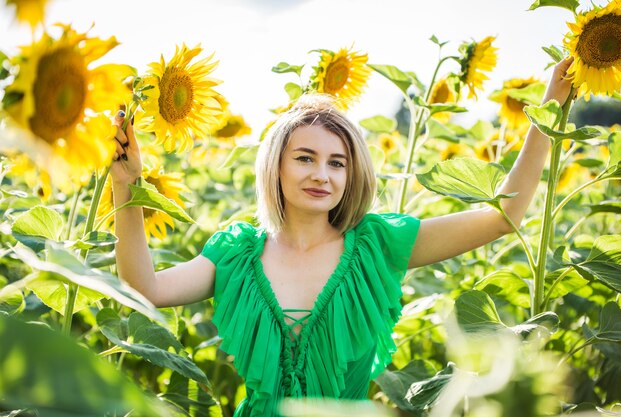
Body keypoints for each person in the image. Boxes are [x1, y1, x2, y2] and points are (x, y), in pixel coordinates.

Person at [109, 57, 575, 416]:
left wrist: (550, 106)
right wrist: (126, 186)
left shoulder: (374, 246)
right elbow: (144, 287)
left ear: (352, 174)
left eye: (337, 162)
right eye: (305, 158)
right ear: (276, 165)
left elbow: (502, 215)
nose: (322, 175)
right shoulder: (237, 255)